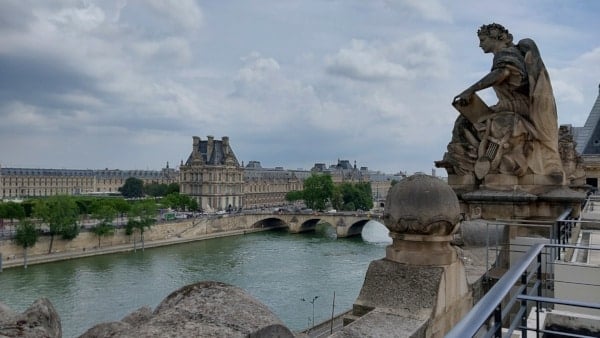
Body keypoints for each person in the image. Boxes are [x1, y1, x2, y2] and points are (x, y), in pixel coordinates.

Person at [443, 23, 563, 181]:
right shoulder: (510, 54)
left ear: (496, 37)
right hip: (513, 107)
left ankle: (473, 168)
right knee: (465, 120)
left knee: (471, 123)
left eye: (483, 39)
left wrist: (471, 90)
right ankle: (472, 166)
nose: (480, 44)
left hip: (518, 108)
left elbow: (502, 73)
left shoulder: (506, 54)